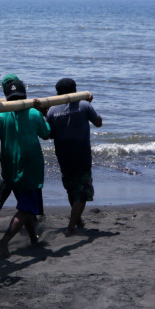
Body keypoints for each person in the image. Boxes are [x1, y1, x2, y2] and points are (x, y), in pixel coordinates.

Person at [0, 74, 51, 258]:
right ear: (24, 94)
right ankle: (3, 243)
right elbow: (47, 134)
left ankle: (33, 239)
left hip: (9, 167)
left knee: (27, 205)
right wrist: (44, 112)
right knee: (26, 208)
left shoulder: (1, 115)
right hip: (30, 168)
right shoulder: (34, 113)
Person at [45, 78, 103, 235]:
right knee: (83, 192)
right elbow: (98, 123)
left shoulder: (52, 110)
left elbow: (48, 134)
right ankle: (71, 226)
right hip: (81, 154)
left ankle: (78, 220)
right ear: (75, 90)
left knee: (71, 189)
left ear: (57, 93)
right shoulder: (84, 105)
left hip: (63, 155)